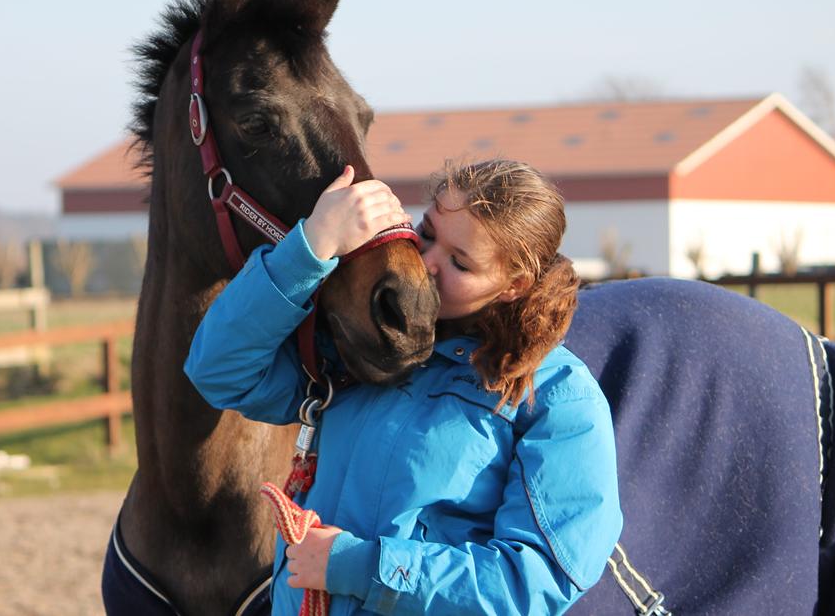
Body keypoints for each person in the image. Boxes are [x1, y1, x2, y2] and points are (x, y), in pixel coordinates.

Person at [185, 159, 622, 614]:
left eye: (459, 262)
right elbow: (219, 370)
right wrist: (309, 247)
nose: (428, 264)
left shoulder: (558, 397)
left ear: (514, 284)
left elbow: (533, 583)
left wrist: (353, 566)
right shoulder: (368, 346)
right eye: (429, 234)